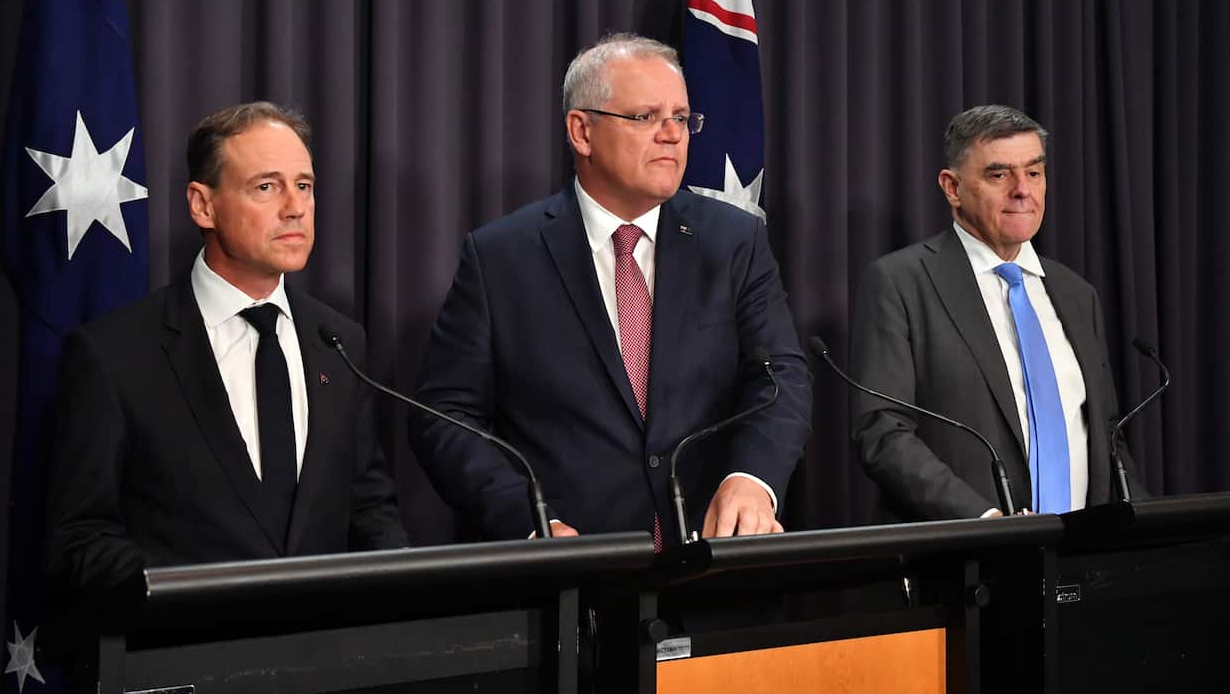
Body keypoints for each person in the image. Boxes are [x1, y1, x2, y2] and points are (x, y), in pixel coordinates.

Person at [410, 34, 812, 544]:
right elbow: (446, 416)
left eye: (682, 118)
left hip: (710, 560)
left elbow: (781, 378)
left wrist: (752, 480)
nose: (673, 135)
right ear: (582, 131)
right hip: (573, 570)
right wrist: (528, 521)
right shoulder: (501, 258)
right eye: (646, 117)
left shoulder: (735, 241)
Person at [47, 102, 407, 596]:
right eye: (266, 187)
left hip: (324, 641)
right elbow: (80, 539)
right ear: (203, 205)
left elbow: (368, 509)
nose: (295, 207)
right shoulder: (114, 354)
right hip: (186, 638)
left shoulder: (339, 342)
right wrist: (198, 597)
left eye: (304, 185)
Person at [850, 104, 1146, 521]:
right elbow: (882, 430)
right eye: (999, 175)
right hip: (969, 548)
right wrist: (987, 521)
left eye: (1034, 172)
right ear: (952, 188)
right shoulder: (901, 283)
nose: (1022, 190)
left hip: (1084, 548)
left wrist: (1143, 525)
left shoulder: (1077, 294)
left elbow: (1108, 434)